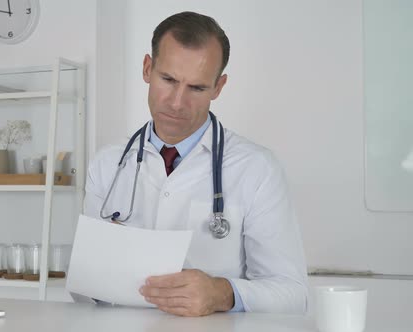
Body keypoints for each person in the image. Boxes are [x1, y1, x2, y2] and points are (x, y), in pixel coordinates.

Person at [83, 11, 308, 316]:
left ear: (218, 86)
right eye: (168, 80)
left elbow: (293, 294)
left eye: (197, 88)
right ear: (148, 68)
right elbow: (84, 288)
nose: (177, 102)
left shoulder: (257, 168)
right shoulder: (108, 164)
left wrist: (223, 293)